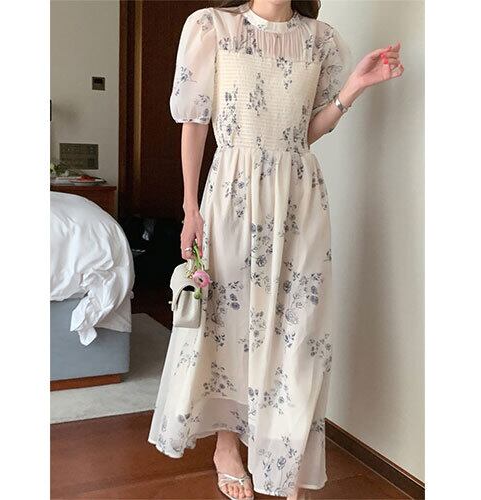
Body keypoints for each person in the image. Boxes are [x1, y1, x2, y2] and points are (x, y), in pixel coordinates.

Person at [148, 1, 404, 499]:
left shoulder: (321, 40)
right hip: (233, 197)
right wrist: (190, 209)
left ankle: (283, 458)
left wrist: (354, 87)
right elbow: (195, 122)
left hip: (299, 201)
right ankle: (227, 446)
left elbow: (303, 132)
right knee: (230, 327)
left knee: (298, 331)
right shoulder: (212, 27)